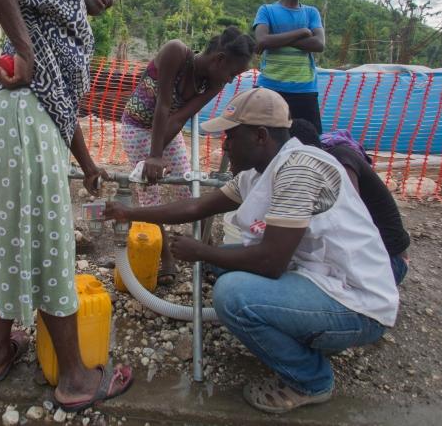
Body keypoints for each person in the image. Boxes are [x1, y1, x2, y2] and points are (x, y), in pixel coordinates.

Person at [104, 88, 399, 413]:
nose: (225, 146)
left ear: (260, 136)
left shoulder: (298, 170)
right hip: (322, 278)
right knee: (228, 265)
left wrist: (201, 251)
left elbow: (271, 263)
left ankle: (311, 380)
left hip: (356, 304)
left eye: (231, 137)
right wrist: (128, 213)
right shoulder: (261, 171)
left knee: (232, 295)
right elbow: (198, 206)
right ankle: (301, 331)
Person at [0, 0, 134, 411]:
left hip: (7, 123)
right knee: (46, 244)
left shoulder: (67, 20)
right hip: (23, 125)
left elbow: (59, 104)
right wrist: (22, 46)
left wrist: (88, 167)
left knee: (13, 237)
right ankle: (76, 379)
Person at [121, 27, 255, 286]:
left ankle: (208, 253)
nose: (230, 80)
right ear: (219, 59)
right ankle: (166, 258)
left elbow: (179, 117)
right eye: (232, 73)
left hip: (168, 129)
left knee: (190, 188)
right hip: (137, 127)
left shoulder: (213, 83)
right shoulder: (175, 52)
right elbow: (163, 104)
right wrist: (153, 157)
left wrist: (158, 155)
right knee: (150, 193)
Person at [289, 119, 411, 285]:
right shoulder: (328, 159)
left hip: (389, 263)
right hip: (374, 260)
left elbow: (345, 216)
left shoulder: (340, 160)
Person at [253, 0, 325, 133]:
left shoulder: (311, 12)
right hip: (269, 88)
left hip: (304, 89)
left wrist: (277, 40)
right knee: (264, 140)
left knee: (309, 142)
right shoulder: (266, 10)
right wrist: (302, 32)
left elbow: (319, 44)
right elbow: (261, 41)